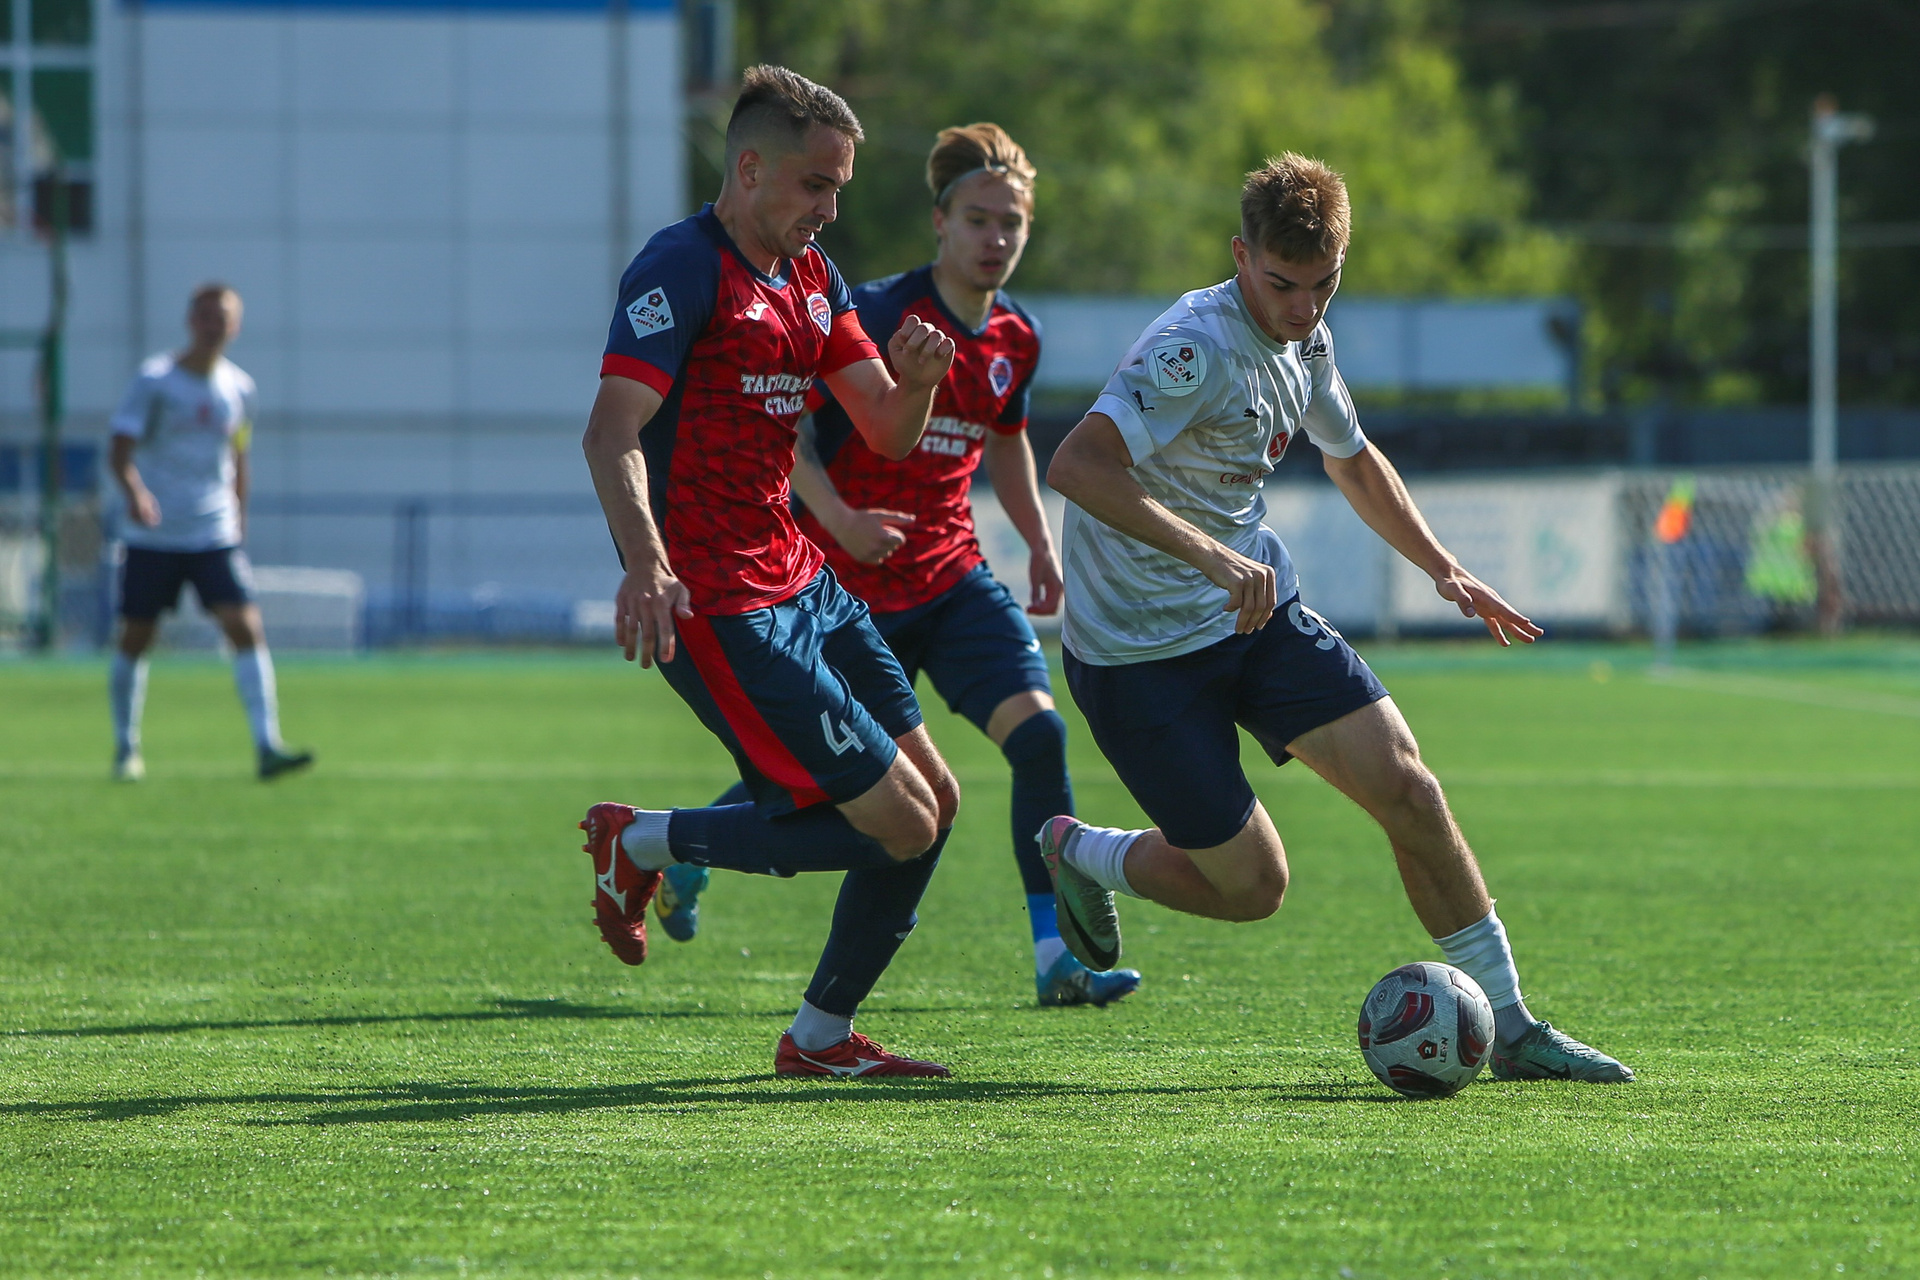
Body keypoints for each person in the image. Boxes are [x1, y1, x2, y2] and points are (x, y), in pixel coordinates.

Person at [1040, 154, 1632, 1083]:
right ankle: (1081, 851)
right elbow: (1076, 465)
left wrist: (1445, 569)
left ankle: (1513, 1028)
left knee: (1410, 788)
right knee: (1253, 888)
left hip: (1255, 616)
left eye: (1324, 285)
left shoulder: (1308, 341)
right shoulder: (1193, 348)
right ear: (1241, 256)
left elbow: (1352, 459)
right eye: (1283, 284)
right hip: (1136, 652)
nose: (1304, 307)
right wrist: (1210, 555)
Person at [651, 123, 1141, 1011]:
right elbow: (786, 424)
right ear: (940, 223)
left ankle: (1055, 958)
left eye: (1012, 224)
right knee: (838, 786)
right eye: (978, 220)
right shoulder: (875, 313)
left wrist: (1038, 542)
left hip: (952, 581)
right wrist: (838, 518)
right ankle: (687, 847)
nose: (995, 239)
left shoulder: (1016, 337)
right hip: (844, 593)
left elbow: (1007, 441)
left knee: (1040, 736)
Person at [578, 66, 964, 1079]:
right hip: (720, 601)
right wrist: (647, 563)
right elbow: (612, 431)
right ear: (748, 169)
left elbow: (884, 428)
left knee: (937, 801)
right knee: (900, 824)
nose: (828, 208)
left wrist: (920, 384)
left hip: (803, 578)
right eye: (813, 185)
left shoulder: (813, 277)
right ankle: (648, 844)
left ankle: (820, 1035)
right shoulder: (680, 268)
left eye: (838, 188)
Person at [106, 283, 313, 783]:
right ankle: (127, 748)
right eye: (204, 316)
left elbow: (239, 457)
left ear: (235, 326)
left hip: (212, 533)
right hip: (155, 534)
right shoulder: (156, 380)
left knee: (245, 627)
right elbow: (119, 448)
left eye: (221, 318)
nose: (212, 326)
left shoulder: (239, 388)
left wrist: (239, 517)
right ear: (190, 321)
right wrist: (136, 494)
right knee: (138, 636)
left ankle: (267, 745)